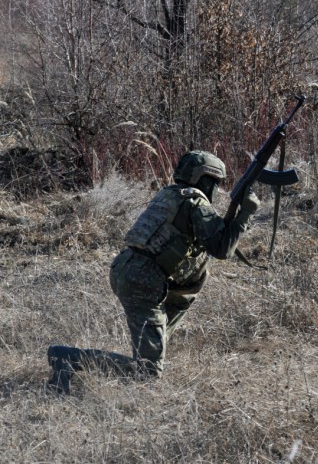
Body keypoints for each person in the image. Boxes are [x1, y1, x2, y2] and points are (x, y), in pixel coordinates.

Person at [47, 151, 260, 394]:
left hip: (129, 270)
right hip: (144, 282)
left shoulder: (169, 194)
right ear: (204, 179)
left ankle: (77, 364)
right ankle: (68, 358)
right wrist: (246, 213)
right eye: (215, 183)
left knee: (155, 344)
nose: (216, 190)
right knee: (147, 372)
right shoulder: (195, 202)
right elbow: (222, 249)